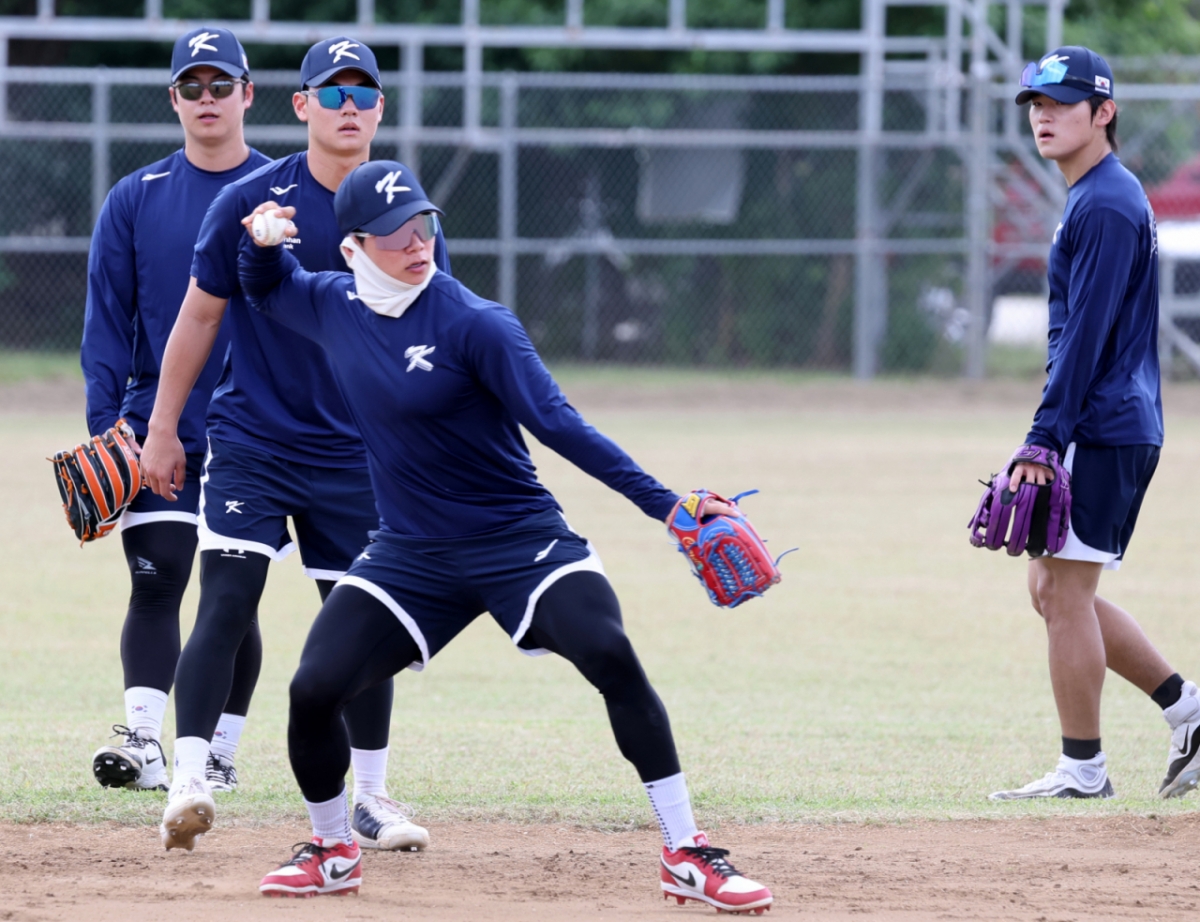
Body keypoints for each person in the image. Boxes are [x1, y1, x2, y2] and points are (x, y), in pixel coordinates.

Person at [235, 161, 775, 912]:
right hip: (411, 552)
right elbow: (262, 289)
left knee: (610, 653)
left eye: (422, 225)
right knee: (312, 689)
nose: (416, 243)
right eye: (394, 235)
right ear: (354, 247)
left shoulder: (474, 323)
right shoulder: (331, 305)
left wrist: (667, 505)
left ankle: (687, 852)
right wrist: (261, 245)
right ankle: (332, 851)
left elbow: (558, 423)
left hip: (518, 538)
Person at [140, 37, 447, 852]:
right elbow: (198, 318)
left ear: (381, 108)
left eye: (362, 92)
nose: (348, 106)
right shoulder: (252, 198)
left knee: (363, 620)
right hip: (255, 440)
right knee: (229, 601)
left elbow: (429, 334)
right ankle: (190, 777)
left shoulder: (405, 210)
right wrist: (163, 428)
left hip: (357, 453)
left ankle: (371, 797)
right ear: (300, 106)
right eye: (331, 92)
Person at [990, 46, 1200, 802]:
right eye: (1035, 104)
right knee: (1051, 589)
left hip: (1102, 425)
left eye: (1061, 102)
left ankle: (1084, 769)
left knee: (1065, 593)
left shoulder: (1106, 202)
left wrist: (1045, 435)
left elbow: (1087, 333)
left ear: (1103, 112)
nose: (1043, 115)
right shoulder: (1092, 196)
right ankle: (1188, 711)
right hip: (1108, 419)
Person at [82, 27, 269, 794]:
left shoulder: (281, 188)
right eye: (191, 87)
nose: (207, 99)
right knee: (156, 580)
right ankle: (144, 738)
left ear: (248, 94)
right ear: (173, 100)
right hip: (153, 420)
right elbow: (106, 320)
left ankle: (219, 749)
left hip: (257, 426)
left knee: (232, 594)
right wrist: (107, 434)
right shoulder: (137, 196)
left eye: (220, 84)